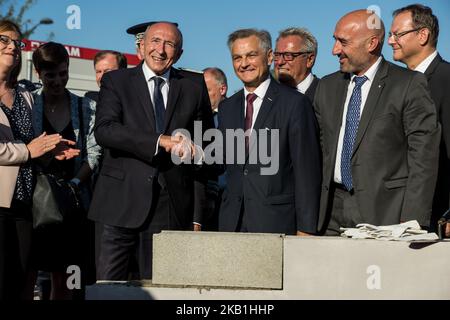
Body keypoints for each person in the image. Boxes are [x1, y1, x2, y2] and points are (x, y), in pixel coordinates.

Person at [89, 21, 214, 280]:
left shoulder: (193, 86)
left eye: (170, 44)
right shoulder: (116, 80)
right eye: (155, 41)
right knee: (108, 290)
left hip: (170, 210)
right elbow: (105, 131)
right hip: (118, 206)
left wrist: (197, 215)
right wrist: (160, 141)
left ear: (179, 53)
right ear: (142, 46)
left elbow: (208, 147)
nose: (161, 49)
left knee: (162, 289)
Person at [314, 9, 441, 235]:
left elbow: (423, 157)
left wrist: (412, 221)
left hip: (385, 215)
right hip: (330, 213)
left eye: (343, 42)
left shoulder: (408, 84)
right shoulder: (326, 86)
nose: (335, 50)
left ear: (372, 43)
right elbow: (319, 150)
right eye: (335, 40)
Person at [0, 21, 78, 300]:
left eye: (17, 43)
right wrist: (28, 151)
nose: (12, 46)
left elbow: (33, 147)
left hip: (24, 204)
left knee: (19, 283)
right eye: (4, 40)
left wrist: (49, 151)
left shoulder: (25, 96)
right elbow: (21, 149)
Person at [218, 28, 321, 235]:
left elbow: (307, 172)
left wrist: (306, 229)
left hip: (276, 223)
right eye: (237, 57)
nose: (244, 63)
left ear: (269, 56)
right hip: (232, 223)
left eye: (251, 55)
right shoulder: (227, 107)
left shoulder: (294, 103)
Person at [31, 42, 102, 299]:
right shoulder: (29, 106)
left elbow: (94, 155)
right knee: (34, 277)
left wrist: (73, 184)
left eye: (64, 73)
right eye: (51, 75)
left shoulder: (86, 107)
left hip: (74, 203)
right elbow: (24, 151)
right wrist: (47, 154)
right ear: (38, 73)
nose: (59, 81)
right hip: (37, 203)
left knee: (68, 280)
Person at [389, 4, 450, 236]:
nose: (391, 41)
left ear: (423, 35)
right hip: (400, 215)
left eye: (398, 34)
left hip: (437, 216)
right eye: (390, 34)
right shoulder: (397, 84)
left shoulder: (446, 79)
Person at [203, 67, 228, 230]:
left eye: (208, 90)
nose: (203, 95)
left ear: (222, 89)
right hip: (203, 198)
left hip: (227, 197)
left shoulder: (237, 115)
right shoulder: (197, 116)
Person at [274, 27, 320, 103]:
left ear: (309, 60)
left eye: (288, 55)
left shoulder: (327, 95)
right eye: (277, 55)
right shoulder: (267, 97)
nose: (279, 62)